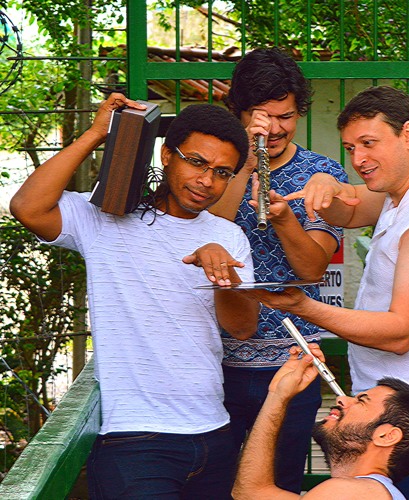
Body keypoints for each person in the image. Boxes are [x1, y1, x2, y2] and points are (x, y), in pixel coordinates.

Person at [240, 85, 409, 499]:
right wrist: (324, 185)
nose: (358, 159)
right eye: (350, 148)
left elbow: (400, 333)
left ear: (408, 134)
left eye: (369, 143)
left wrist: (304, 306)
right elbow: (352, 207)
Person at [9, 94, 261, 499]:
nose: (206, 181)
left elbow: (244, 327)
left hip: (214, 432)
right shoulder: (105, 219)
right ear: (167, 155)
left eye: (221, 172)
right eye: (196, 162)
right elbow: (27, 207)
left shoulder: (228, 236)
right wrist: (96, 133)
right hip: (135, 440)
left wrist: (222, 275)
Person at [209, 46, 348, 493]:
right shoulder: (212, 170)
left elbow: (312, 267)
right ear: (238, 112)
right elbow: (200, 234)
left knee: (281, 485)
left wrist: (286, 219)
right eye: (261, 117)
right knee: (212, 485)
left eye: (285, 116)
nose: (273, 128)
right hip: (211, 362)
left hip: (292, 363)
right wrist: (246, 165)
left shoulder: (322, 172)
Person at [232, 344, 409, 499]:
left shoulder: (352, 492)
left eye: (361, 401)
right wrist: (277, 395)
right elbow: (250, 493)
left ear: (386, 436)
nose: (342, 400)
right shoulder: (365, 492)